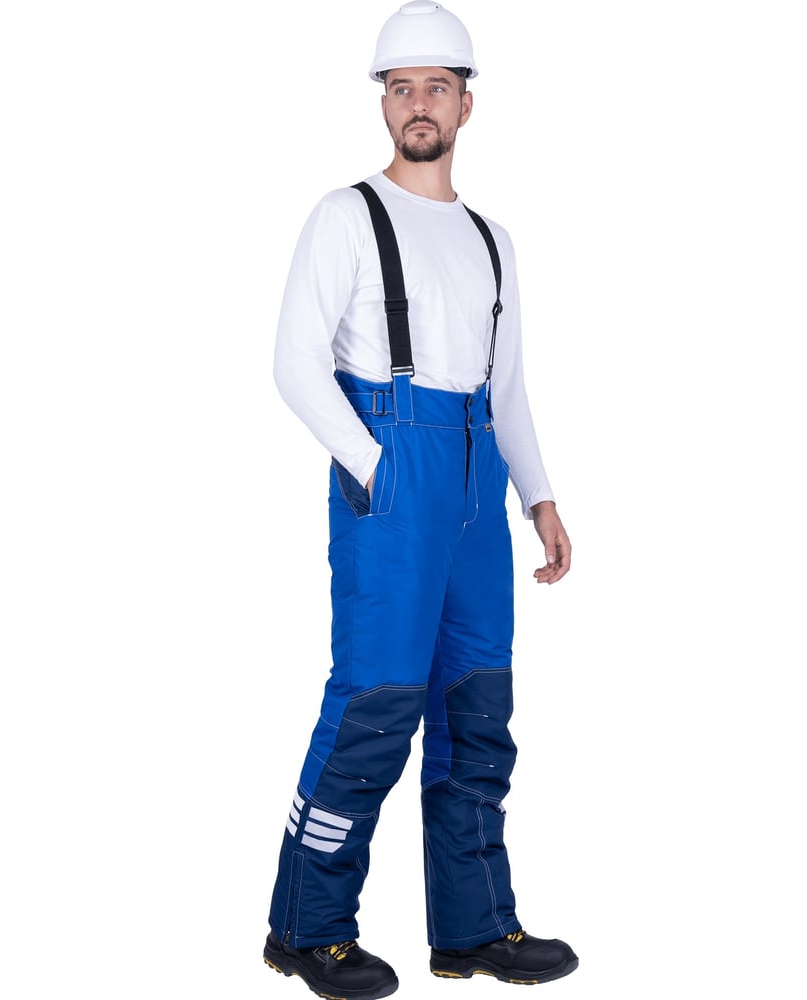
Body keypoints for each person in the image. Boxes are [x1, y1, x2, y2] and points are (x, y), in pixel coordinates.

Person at [263, 3, 577, 996]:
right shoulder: (344, 215)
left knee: (478, 705)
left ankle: (475, 928)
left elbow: (506, 387)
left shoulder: (492, 239)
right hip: (393, 477)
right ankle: (307, 927)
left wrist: (540, 497)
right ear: (384, 103)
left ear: (466, 104)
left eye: (436, 86)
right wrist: (374, 466)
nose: (417, 103)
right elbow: (294, 364)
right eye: (400, 87)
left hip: (481, 481)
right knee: (377, 702)